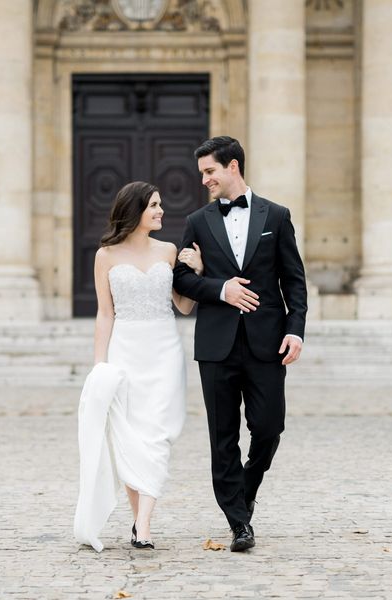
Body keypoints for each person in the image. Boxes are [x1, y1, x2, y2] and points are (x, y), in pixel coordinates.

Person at [173, 136, 307, 552]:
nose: (204, 180)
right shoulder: (197, 221)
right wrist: (220, 289)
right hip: (216, 345)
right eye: (201, 174)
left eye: (210, 171)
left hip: (268, 343)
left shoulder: (277, 216)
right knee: (223, 436)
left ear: (233, 166)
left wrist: (295, 328)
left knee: (269, 428)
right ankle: (239, 524)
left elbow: (294, 281)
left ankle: (243, 493)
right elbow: (181, 280)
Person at [75, 181, 202, 551]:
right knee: (128, 437)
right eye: (154, 205)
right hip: (125, 350)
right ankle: (140, 524)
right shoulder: (106, 255)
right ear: (135, 211)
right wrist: (100, 365)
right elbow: (104, 313)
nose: (162, 211)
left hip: (164, 350)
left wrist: (198, 268)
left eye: (161, 204)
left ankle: (142, 524)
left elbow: (183, 306)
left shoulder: (168, 250)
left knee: (157, 436)